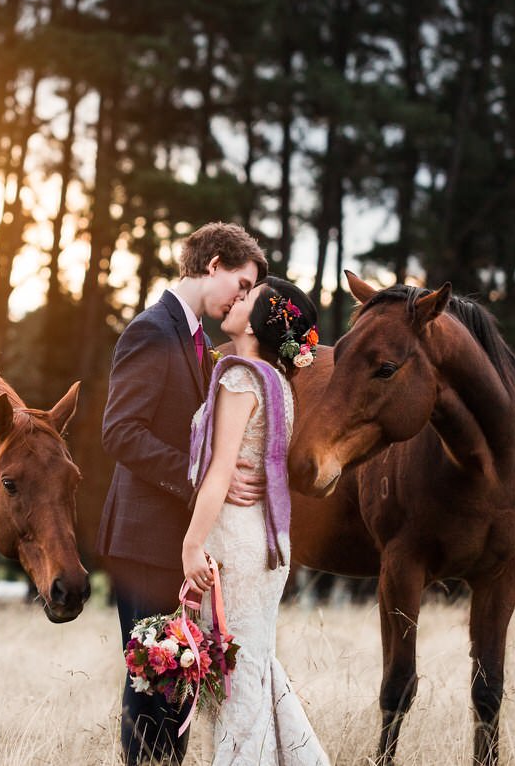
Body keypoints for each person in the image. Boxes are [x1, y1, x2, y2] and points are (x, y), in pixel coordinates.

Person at [98, 222, 268, 765]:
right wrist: (202, 478)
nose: (241, 298)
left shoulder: (197, 342)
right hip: (143, 541)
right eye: (240, 284)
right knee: (152, 683)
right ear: (213, 263)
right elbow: (120, 431)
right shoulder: (151, 330)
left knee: (179, 682)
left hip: (174, 544)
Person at [182, 276, 331, 766]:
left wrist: (191, 544)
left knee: (235, 683)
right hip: (266, 542)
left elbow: (222, 469)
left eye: (247, 297)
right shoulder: (277, 383)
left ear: (262, 318)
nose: (236, 298)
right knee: (254, 669)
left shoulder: (239, 378)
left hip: (238, 541)